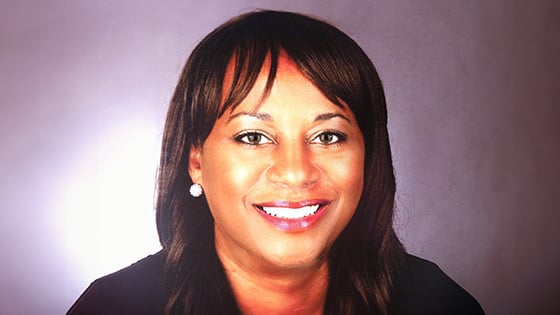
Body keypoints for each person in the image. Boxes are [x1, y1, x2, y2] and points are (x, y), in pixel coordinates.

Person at [68, 10, 485, 315]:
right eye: (254, 137)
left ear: (369, 156)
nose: (296, 172)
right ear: (195, 160)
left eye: (328, 136)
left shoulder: (436, 303)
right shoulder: (114, 307)